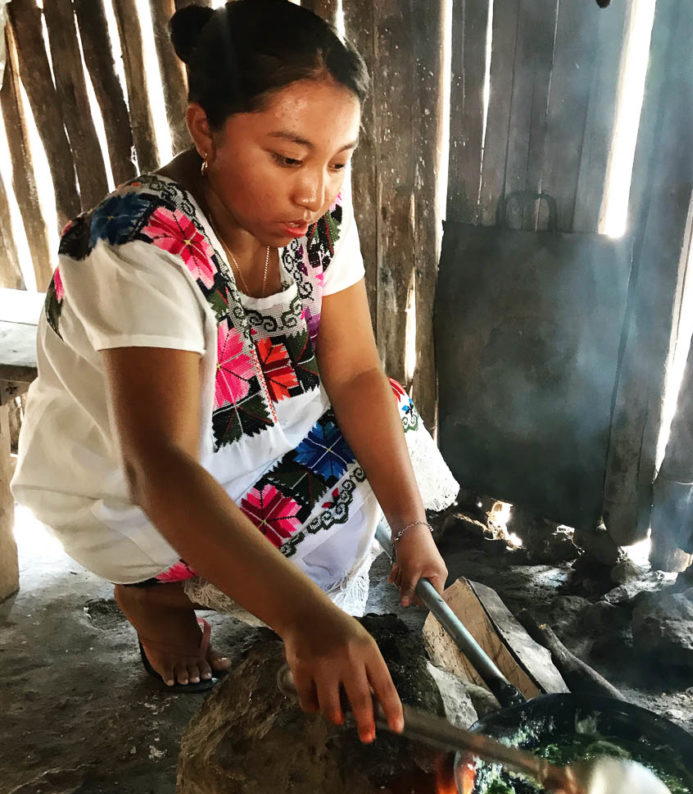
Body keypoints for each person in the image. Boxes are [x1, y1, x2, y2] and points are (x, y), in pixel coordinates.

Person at [11, 0, 458, 744]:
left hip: (241, 423)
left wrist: (412, 526)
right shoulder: (140, 247)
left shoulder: (318, 218)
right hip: (132, 470)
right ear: (203, 130)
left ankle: (256, 586)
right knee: (273, 564)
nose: (315, 192)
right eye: (288, 157)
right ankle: (152, 594)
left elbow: (352, 374)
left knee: (378, 414)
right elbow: (159, 466)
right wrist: (306, 619)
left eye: (338, 160)